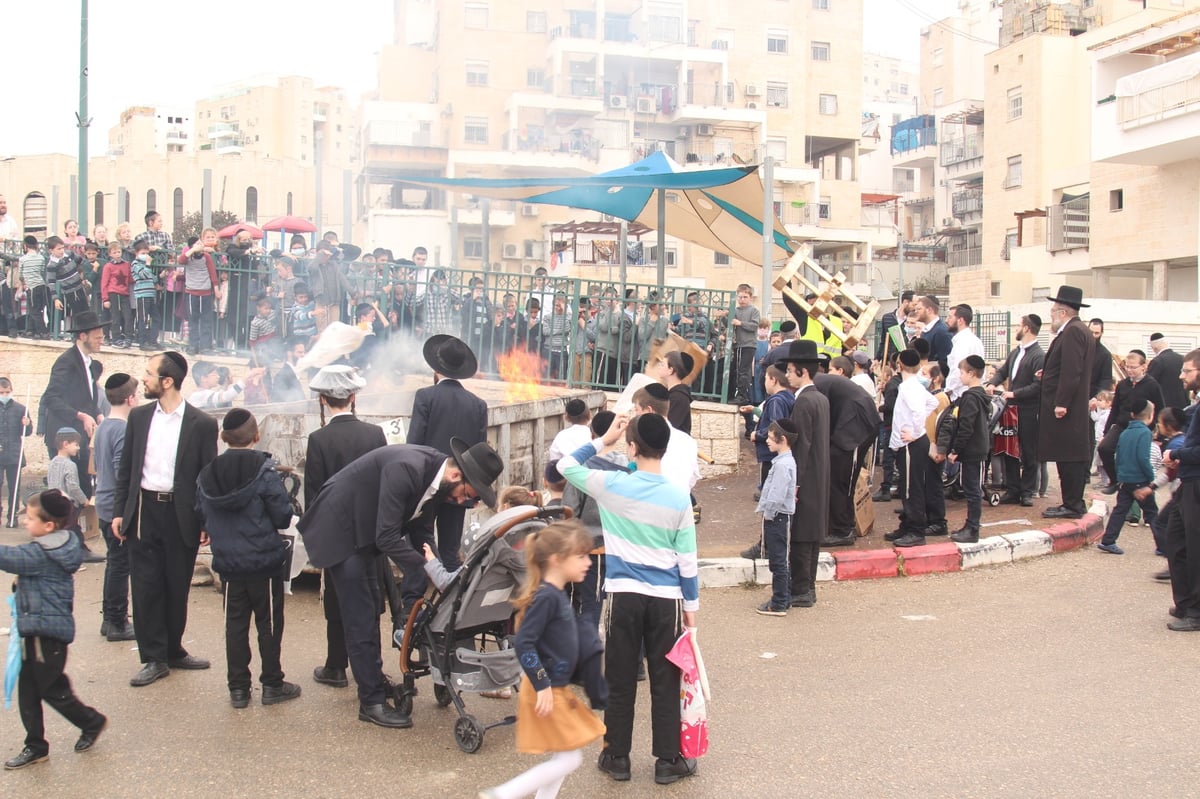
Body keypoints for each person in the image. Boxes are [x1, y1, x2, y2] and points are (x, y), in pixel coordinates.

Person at [296, 438, 503, 728]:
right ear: (456, 476)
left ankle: (374, 681)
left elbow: (421, 533)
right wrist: (423, 569)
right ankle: (371, 702)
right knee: (361, 616)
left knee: (372, 609)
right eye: (464, 495)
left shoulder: (436, 481)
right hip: (340, 529)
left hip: (366, 531)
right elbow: (387, 537)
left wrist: (437, 569)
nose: (460, 502)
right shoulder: (407, 469)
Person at [558, 413, 699, 786]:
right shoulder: (678, 496)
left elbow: (565, 465)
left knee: (620, 678)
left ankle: (616, 756)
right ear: (665, 448)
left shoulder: (612, 485)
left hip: (623, 596)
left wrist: (604, 440)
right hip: (665, 599)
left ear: (632, 447)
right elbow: (687, 558)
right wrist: (691, 609)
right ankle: (668, 760)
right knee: (665, 680)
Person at [477, 521, 605, 799]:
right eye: (581, 556)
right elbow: (524, 642)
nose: (588, 562)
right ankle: (504, 794)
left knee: (564, 758)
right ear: (557, 560)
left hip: (552, 688)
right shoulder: (547, 597)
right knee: (570, 759)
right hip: (545, 690)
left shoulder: (555, 595)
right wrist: (542, 684)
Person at [112, 351, 218, 687]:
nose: (143, 379)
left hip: (181, 512)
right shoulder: (140, 417)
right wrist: (119, 511)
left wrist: (206, 521)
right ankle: (153, 658)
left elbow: (206, 476)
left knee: (176, 584)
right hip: (144, 510)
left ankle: (173, 649)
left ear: (167, 381)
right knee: (145, 586)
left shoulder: (202, 423)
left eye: (148, 374)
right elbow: (126, 469)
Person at [195, 408, 300, 708]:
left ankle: (238, 689)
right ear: (256, 436)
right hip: (263, 562)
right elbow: (282, 515)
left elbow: (200, 511)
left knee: (235, 624)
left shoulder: (208, 473)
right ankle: (271, 684)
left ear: (224, 437)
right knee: (268, 624)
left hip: (228, 563)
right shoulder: (264, 471)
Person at [1, 490, 107, 770]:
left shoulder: (40, 554)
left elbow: (8, 557)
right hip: (36, 632)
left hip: (46, 635)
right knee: (29, 691)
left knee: (51, 689)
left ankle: (90, 721)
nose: (24, 521)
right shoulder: (62, 543)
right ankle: (35, 746)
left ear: (49, 526)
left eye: (30, 517)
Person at [303, 365, 387, 690]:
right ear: (353, 397)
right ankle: (372, 669)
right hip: (370, 532)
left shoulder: (318, 439)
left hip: (336, 534)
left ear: (323, 400)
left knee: (337, 599)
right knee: (370, 599)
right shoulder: (374, 434)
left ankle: (336, 665)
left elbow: (314, 495)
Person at [408, 334, 489, 577]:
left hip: (426, 482)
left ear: (436, 368)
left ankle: (417, 600)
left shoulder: (426, 396)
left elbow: (414, 443)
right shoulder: (478, 404)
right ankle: (452, 598)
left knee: (420, 543)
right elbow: (479, 451)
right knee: (450, 549)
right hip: (460, 485)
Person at [777, 339, 831, 607]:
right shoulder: (819, 398)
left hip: (805, 477)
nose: (786, 376)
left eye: (789, 370)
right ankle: (807, 587)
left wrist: (793, 485)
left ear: (802, 371)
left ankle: (801, 589)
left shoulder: (804, 402)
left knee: (800, 534)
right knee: (811, 534)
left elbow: (802, 446)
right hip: (819, 475)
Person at [1039, 287, 1097, 520]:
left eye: (1053, 311)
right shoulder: (1077, 330)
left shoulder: (1073, 331)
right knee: (1066, 454)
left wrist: (1061, 401)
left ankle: (1072, 504)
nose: (1051, 315)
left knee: (1069, 456)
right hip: (1070, 404)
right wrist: (1049, 373)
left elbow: (1073, 370)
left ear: (1062, 312)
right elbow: (1067, 366)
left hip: (1067, 408)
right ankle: (1071, 502)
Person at [39, 309, 107, 503]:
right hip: (65, 434)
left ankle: (83, 528)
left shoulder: (91, 363)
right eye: (97, 337)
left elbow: (89, 397)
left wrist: (97, 413)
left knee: (85, 482)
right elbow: (51, 398)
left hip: (82, 436)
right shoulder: (65, 362)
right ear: (82, 335)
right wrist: (81, 415)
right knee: (67, 490)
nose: (101, 340)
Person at [812, 368, 881, 547]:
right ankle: (838, 525)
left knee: (841, 478)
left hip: (855, 424)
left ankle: (843, 530)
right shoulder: (816, 383)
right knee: (836, 476)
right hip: (848, 422)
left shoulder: (813, 386)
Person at [92, 373, 138, 642]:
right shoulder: (121, 429)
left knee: (114, 565)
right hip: (114, 507)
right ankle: (117, 621)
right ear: (130, 398)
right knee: (120, 566)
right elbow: (124, 472)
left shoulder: (105, 426)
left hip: (104, 503)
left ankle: (110, 619)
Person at [987, 314, 1045, 506]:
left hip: (1028, 409)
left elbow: (1038, 386)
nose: (1017, 329)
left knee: (1028, 451)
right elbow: (1003, 371)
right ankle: (1013, 489)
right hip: (1010, 409)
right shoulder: (1015, 352)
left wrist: (1014, 393)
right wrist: (992, 383)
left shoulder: (1038, 356)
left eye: (1019, 325)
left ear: (1027, 328)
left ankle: (1027, 491)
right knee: (1009, 449)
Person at [886, 349, 941, 548]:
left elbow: (920, 411)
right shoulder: (913, 386)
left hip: (911, 444)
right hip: (910, 443)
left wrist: (914, 433)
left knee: (911, 488)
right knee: (906, 486)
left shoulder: (910, 387)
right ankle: (908, 525)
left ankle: (916, 530)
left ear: (899, 366)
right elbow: (932, 402)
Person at [1162, 351, 1200, 630]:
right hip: (1188, 482)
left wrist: (1178, 455)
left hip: (1196, 480)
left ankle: (1196, 612)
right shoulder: (1196, 403)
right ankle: (1185, 602)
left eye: (1187, 371)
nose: (1181, 376)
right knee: (1175, 539)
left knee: (1194, 548)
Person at [1097, 398, 1159, 556]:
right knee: (1151, 512)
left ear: (1132, 414)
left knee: (1120, 510)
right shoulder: (1145, 433)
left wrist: (1118, 476)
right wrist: (1150, 477)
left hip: (1125, 479)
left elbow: (1118, 455)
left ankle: (1108, 540)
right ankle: (1164, 544)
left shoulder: (1125, 432)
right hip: (1140, 480)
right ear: (1151, 416)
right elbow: (1143, 458)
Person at [1097, 350, 1164, 495]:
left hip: (1142, 427)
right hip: (1122, 425)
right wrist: (1106, 431)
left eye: (1133, 367)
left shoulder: (1152, 385)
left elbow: (1160, 409)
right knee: (1104, 448)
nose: (1130, 370)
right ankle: (1115, 480)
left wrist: (1156, 432)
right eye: (1127, 367)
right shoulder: (1122, 385)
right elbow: (1115, 409)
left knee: (1134, 457)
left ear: (1143, 367)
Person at [753, 419, 798, 617]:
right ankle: (784, 597)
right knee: (781, 559)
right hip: (780, 516)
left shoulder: (782, 465)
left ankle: (779, 602)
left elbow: (777, 495)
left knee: (778, 561)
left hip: (778, 517)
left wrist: (768, 514)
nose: (768, 441)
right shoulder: (784, 461)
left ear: (783, 440)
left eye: (771, 438)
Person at [947, 356, 991, 544]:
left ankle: (973, 528)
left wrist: (956, 449)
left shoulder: (971, 397)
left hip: (972, 449)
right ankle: (970, 525)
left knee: (972, 490)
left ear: (971, 373)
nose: (960, 375)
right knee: (970, 488)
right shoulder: (978, 395)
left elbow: (966, 426)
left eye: (962, 372)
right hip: (976, 448)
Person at [176, 229, 221, 355]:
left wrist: (216, 288)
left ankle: (205, 346)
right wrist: (192, 250)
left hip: (205, 292)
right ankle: (193, 345)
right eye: (197, 244)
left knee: (206, 320)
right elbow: (181, 260)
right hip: (192, 292)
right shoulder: (188, 257)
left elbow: (212, 273)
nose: (200, 246)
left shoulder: (206, 257)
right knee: (193, 320)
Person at [0, 377, 33, 528]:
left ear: (11, 391)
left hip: (14, 453)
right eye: (2, 392)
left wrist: (27, 424)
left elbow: (27, 432)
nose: (5, 395)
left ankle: (12, 516)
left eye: (7, 392)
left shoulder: (21, 409)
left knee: (14, 486)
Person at [729, 284, 761, 421]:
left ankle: (742, 395)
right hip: (738, 344)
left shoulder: (753, 310)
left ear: (750, 297)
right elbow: (730, 320)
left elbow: (754, 326)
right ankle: (740, 393)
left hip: (748, 344)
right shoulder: (735, 310)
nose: (742, 299)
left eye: (745, 297)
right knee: (738, 370)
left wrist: (740, 323)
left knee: (743, 370)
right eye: (740, 297)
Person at [943, 304, 985, 401]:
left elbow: (958, 370)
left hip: (960, 395)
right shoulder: (975, 340)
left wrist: (948, 390)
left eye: (950, 317)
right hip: (971, 393)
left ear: (960, 321)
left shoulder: (963, 342)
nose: (946, 320)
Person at [100, 241, 133, 348]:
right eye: (114, 252)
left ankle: (128, 337)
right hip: (114, 293)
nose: (117, 254)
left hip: (125, 293)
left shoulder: (127, 264)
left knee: (128, 316)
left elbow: (130, 278)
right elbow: (104, 283)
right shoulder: (108, 266)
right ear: (110, 254)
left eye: (119, 252)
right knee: (116, 317)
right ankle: (116, 338)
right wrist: (105, 299)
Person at [129, 241, 158, 351]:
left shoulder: (145, 265)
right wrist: (148, 264)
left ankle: (153, 340)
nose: (145, 255)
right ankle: (142, 342)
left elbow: (152, 278)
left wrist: (158, 276)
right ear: (136, 253)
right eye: (143, 253)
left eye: (147, 253)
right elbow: (144, 274)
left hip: (151, 294)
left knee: (156, 318)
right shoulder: (135, 264)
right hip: (142, 295)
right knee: (143, 319)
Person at [914, 295, 952, 378]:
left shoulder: (941, 331)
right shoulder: (926, 330)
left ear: (929, 310)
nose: (916, 312)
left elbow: (944, 361)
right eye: (915, 309)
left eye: (919, 309)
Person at [19, 235, 49, 339]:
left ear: (25, 246)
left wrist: (24, 282)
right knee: (37, 308)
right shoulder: (41, 258)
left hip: (31, 287)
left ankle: (44, 331)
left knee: (34, 310)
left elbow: (20, 275)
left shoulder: (23, 259)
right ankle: (30, 331)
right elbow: (42, 271)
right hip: (41, 285)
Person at [1148, 333, 1188, 410]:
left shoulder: (1157, 361)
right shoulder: (1182, 358)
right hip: (1183, 404)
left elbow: (1150, 384)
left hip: (1164, 406)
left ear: (1154, 347)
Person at [660, 351, 695, 435]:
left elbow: (669, 428)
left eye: (662, 364)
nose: (659, 367)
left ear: (671, 370)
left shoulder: (679, 397)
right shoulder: (671, 394)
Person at [877, 291, 914, 361]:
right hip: (888, 361)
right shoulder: (887, 318)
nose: (915, 308)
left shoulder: (912, 322)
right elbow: (883, 341)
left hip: (904, 361)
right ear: (906, 302)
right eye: (914, 305)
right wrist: (877, 358)